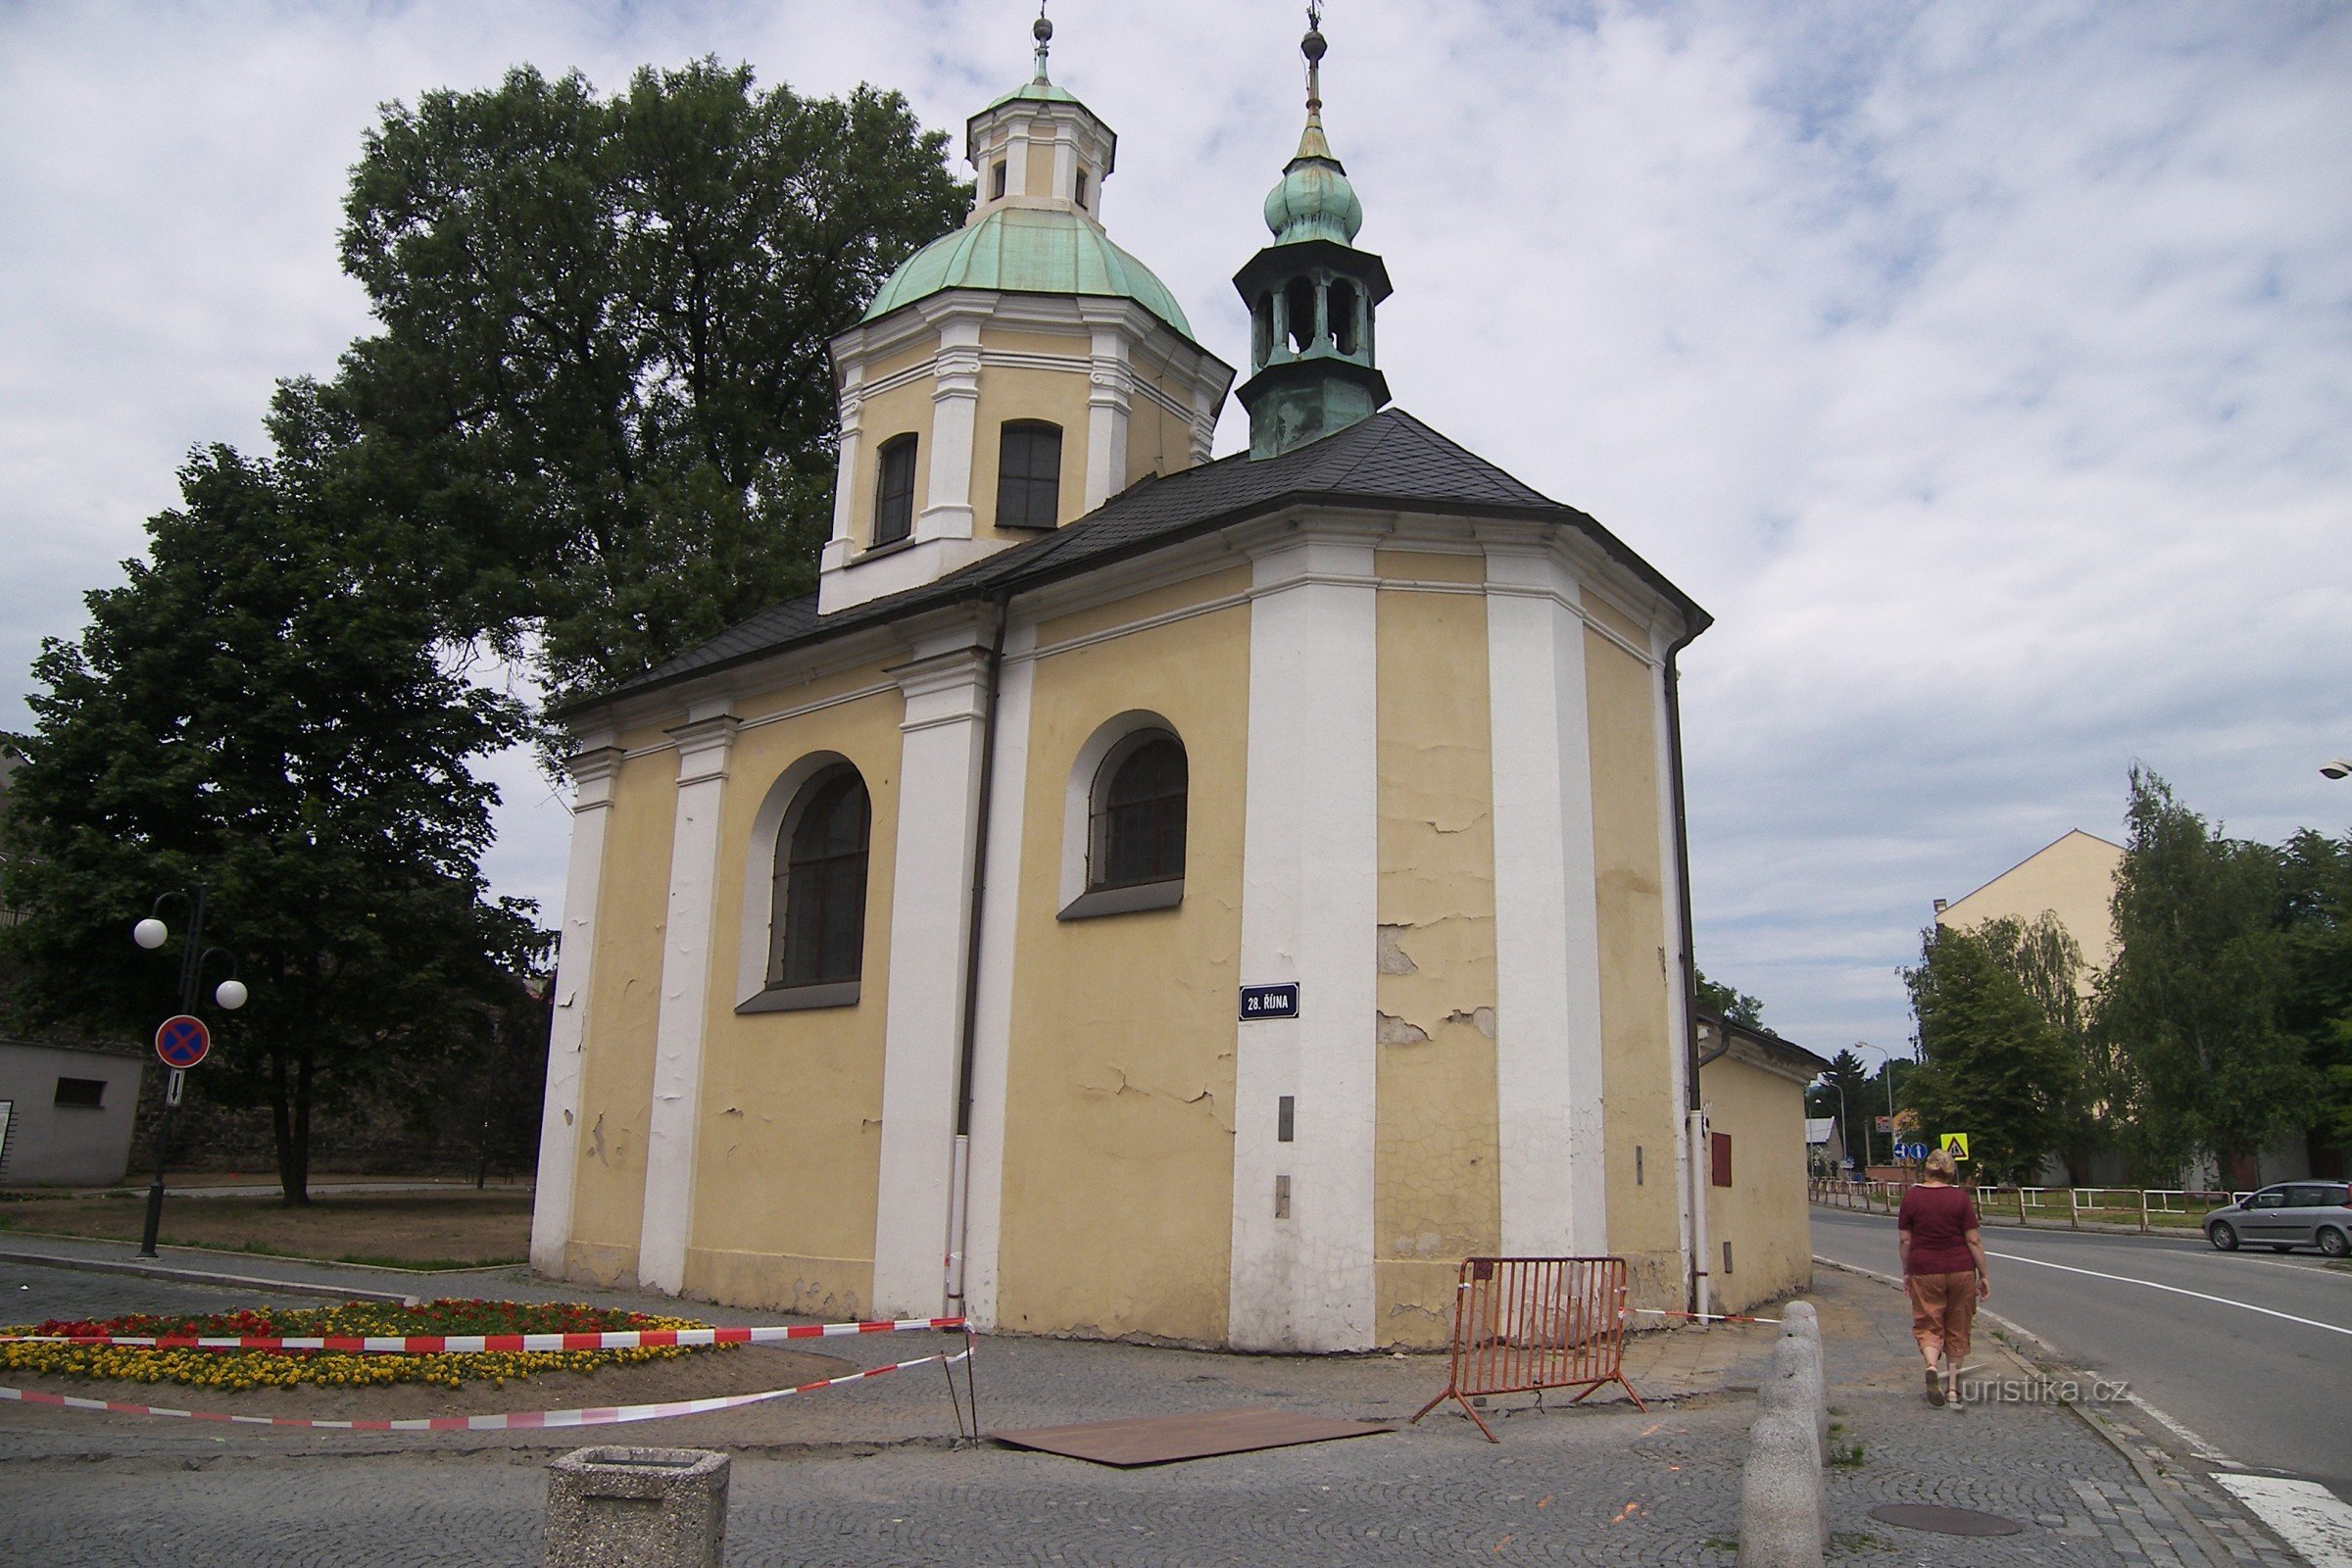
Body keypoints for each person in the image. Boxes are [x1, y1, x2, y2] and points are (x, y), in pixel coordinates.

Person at [1897, 1147, 1988, 1408]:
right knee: (1958, 1327)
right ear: (1950, 1171)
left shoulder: (1911, 1198)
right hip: (1960, 1270)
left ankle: (1932, 1366)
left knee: (1928, 1323)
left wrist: (1906, 1271)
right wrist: (1984, 1275)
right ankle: (1952, 1390)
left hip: (1924, 1269)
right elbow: (1973, 1240)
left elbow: (1905, 1240)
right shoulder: (1960, 1199)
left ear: (1926, 1169)